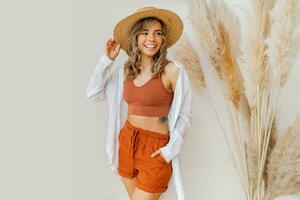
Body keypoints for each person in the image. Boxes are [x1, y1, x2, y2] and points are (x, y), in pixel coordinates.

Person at [86, 6, 192, 200]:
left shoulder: (173, 71)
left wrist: (168, 151)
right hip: (127, 142)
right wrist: (106, 61)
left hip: (155, 150)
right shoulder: (124, 71)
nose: (151, 39)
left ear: (163, 39)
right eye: (145, 33)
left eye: (157, 33)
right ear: (135, 38)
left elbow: (185, 115)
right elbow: (93, 93)